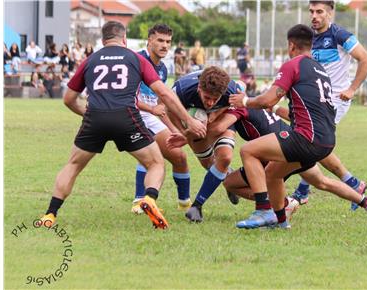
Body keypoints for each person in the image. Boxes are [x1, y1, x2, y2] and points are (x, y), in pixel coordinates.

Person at [37, 21, 206, 230]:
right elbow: (164, 93)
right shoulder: (135, 58)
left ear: (102, 40)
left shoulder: (90, 60)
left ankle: (50, 215)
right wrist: (189, 120)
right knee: (155, 163)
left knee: (73, 165)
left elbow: (69, 99)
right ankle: (149, 198)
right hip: (126, 118)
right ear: (124, 38)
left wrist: (86, 114)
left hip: (95, 118)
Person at [229, 24, 367, 229]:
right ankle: (281, 223)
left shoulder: (292, 64)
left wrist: (246, 101)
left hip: (306, 138)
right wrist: (275, 110)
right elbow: (303, 112)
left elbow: (267, 99)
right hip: (326, 141)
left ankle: (263, 210)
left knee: (248, 151)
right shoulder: (320, 71)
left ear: (291, 45)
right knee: (273, 174)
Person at [289, 0, 367, 211]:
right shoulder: (309, 37)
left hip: (336, 100)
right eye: (311, 11)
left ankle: (303, 191)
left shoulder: (340, 35)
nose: (314, 16)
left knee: (311, 142)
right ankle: (354, 184)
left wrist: (352, 89)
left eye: (319, 12)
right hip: (316, 100)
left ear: (330, 14)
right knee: (311, 142)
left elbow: (365, 60)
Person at [130, 24, 192, 214]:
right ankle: (140, 201)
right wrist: (152, 109)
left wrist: (174, 129)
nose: (165, 45)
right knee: (153, 155)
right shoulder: (137, 60)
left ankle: (184, 204)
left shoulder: (163, 68)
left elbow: (160, 104)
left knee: (179, 156)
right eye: (160, 40)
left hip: (150, 116)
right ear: (149, 40)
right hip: (134, 114)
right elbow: (126, 97)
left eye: (168, 42)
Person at [165, 67, 241, 223]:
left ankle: (196, 206)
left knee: (225, 158)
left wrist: (215, 113)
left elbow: (238, 104)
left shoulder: (232, 89)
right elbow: (169, 109)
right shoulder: (182, 89)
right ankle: (228, 178)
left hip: (221, 119)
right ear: (199, 87)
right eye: (207, 97)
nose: (210, 102)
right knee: (209, 164)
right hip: (193, 126)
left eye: (216, 99)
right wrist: (182, 132)